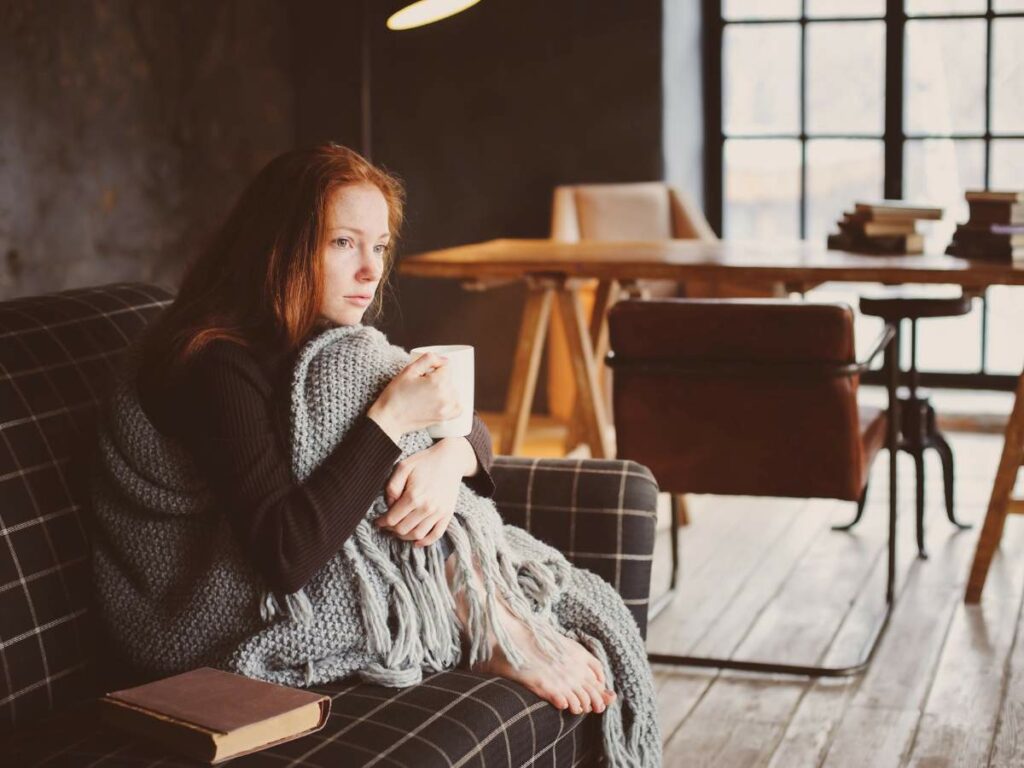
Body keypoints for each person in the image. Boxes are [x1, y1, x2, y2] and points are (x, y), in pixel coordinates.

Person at [133, 142, 615, 716]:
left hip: (302, 554)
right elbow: (285, 555)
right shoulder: (217, 363)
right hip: (200, 611)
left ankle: (487, 609)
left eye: (380, 246)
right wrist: (389, 419)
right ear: (280, 247)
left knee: (363, 369)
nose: (371, 269)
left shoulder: (309, 331)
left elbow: (471, 431)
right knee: (360, 368)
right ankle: (487, 618)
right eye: (343, 243)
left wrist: (447, 460)